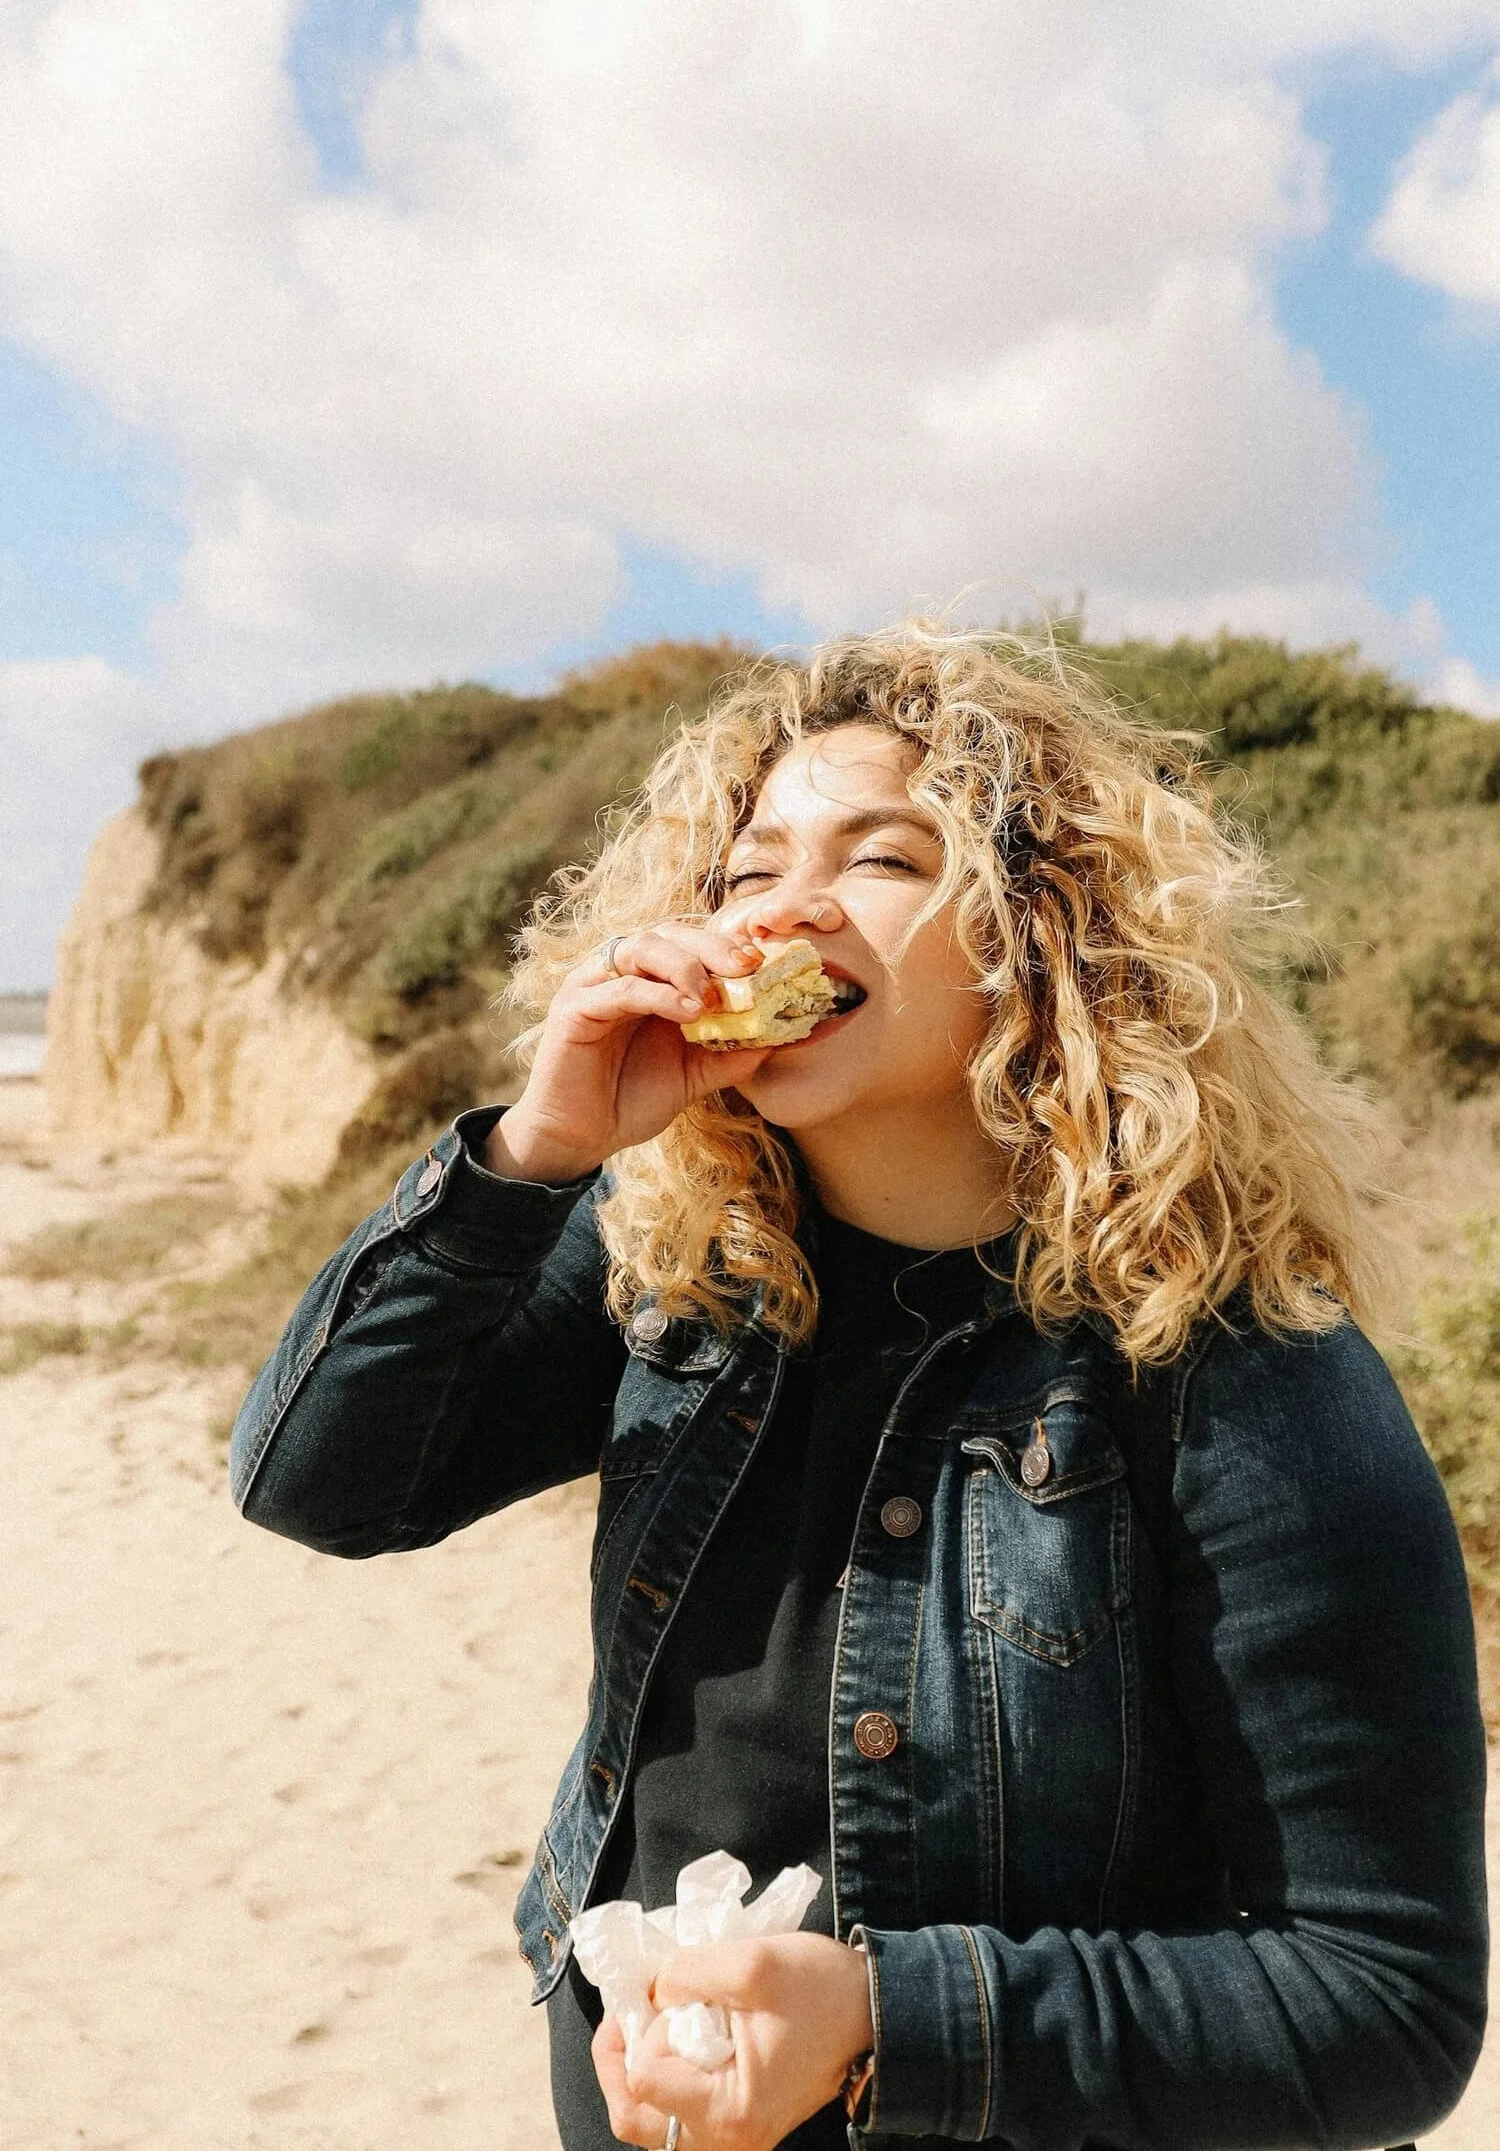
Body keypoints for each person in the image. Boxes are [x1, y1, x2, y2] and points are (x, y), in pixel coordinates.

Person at [230, 624, 1487, 2151]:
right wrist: (526, 1159)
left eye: (884, 858)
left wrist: (884, 2020)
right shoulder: (670, 1272)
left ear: (1045, 932)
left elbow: (1380, 1999)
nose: (787, 906)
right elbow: (316, 1483)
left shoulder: (1237, 1371)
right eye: (749, 870)